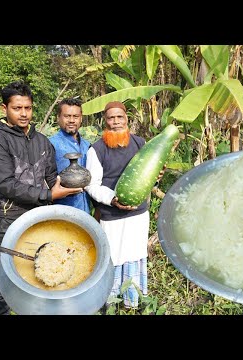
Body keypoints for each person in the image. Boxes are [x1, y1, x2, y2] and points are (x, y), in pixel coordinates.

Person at [0, 80, 82, 315]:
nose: (24, 114)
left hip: (39, 216)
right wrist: (48, 194)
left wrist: (60, 184)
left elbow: (50, 176)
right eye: (17, 108)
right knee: (4, 274)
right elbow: (5, 184)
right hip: (9, 217)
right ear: (4, 108)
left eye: (28, 108)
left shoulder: (41, 141)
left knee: (40, 269)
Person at [85, 101, 162, 309]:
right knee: (113, 258)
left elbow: (147, 177)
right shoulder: (97, 150)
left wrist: (156, 176)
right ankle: (111, 305)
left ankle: (132, 302)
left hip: (138, 216)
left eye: (120, 117)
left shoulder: (140, 143)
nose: (116, 122)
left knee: (135, 255)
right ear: (105, 121)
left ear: (126, 118)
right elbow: (91, 185)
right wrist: (112, 199)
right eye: (111, 118)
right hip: (111, 217)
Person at [49, 97, 91, 213]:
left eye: (75, 116)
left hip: (86, 210)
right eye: (67, 116)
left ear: (81, 118)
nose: (72, 120)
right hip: (62, 211)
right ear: (58, 118)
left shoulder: (87, 145)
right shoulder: (51, 144)